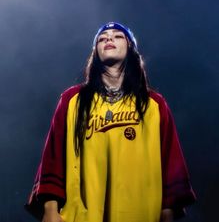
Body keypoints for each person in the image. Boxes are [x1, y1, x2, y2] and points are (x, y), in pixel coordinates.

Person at [25, 22, 196, 222]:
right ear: (95, 52)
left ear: (130, 47)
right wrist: (51, 210)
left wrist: (167, 213)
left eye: (117, 36)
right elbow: (53, 159)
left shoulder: (154, 104)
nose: (108, 39)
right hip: (82, 215)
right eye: (102, 38)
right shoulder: (72, 100)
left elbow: (170, 162)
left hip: (141, 213)